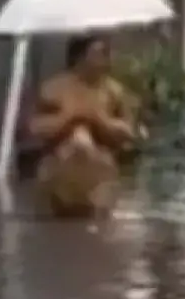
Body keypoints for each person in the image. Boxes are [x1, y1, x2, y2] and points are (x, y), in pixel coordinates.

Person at [27, 34, 139, 220]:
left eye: (106, 53)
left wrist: (100, 119)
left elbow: (128, 132)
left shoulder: (113, 91)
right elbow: (35, 127)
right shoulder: (53, 88)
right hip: (60, 163)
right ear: (80, 56)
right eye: (99, 53)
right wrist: (68, 117)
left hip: (100, 164)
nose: (106, 59)